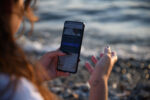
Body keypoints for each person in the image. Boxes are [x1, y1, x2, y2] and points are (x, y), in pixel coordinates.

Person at [0, 0, 118, 100]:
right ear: (10, 6)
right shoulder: (15, 91)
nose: (25, 10)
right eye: (24, 2)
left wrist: (36, 75)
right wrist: (99, 81)